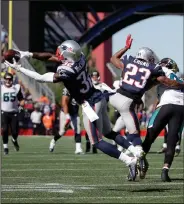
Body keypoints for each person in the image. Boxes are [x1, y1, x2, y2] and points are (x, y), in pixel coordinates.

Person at [5, 39, 149, 181]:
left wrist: (19, 69)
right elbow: (50, 56)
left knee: (97, 142)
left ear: (68, 54)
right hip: (98, 97)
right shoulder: (79, 58)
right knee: (109, 132)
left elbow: (40, 78)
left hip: (89, 104)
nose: (59, 53)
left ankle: (129, 161)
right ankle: (136, 151)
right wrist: (26, 54)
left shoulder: (66, 70)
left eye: (62, 51)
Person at [109, 35, 184, 180]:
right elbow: (166, 83)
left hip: (121, 98)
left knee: (143, 137)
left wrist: (125, 48)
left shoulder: (134, 62)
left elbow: (113, 59)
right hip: (176, 107)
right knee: (166, 139)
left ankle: (136, 161)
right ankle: (157, 167)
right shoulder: (163, 71)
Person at [141, 58, 184, 182]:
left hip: (166, 106)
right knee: (172, 141)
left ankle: (137, 163)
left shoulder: (162, 70)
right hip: (181, 108)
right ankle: (165, 170)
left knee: (150, 136)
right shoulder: (179, 77)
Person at [49, 87, 84, 154]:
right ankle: (53, 140)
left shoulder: (80, 88)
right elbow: (64, 102)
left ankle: (78, 149)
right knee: (62, 132)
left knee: (78, 129)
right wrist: (67, 116)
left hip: (74, 114)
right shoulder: (67, 88)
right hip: (65, 112)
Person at [1, 72, 25, 155]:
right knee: (4, 130)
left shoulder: (16, 88)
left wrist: (21, 106)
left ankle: (14, 140)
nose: (8, 81)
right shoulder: (1, 88)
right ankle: (5, 148)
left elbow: (21, 100)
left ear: (12, 79)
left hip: (14, 112)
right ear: (4, 80)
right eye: (6, 79)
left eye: (10, 79)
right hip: (4, 112)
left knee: (14, 132)